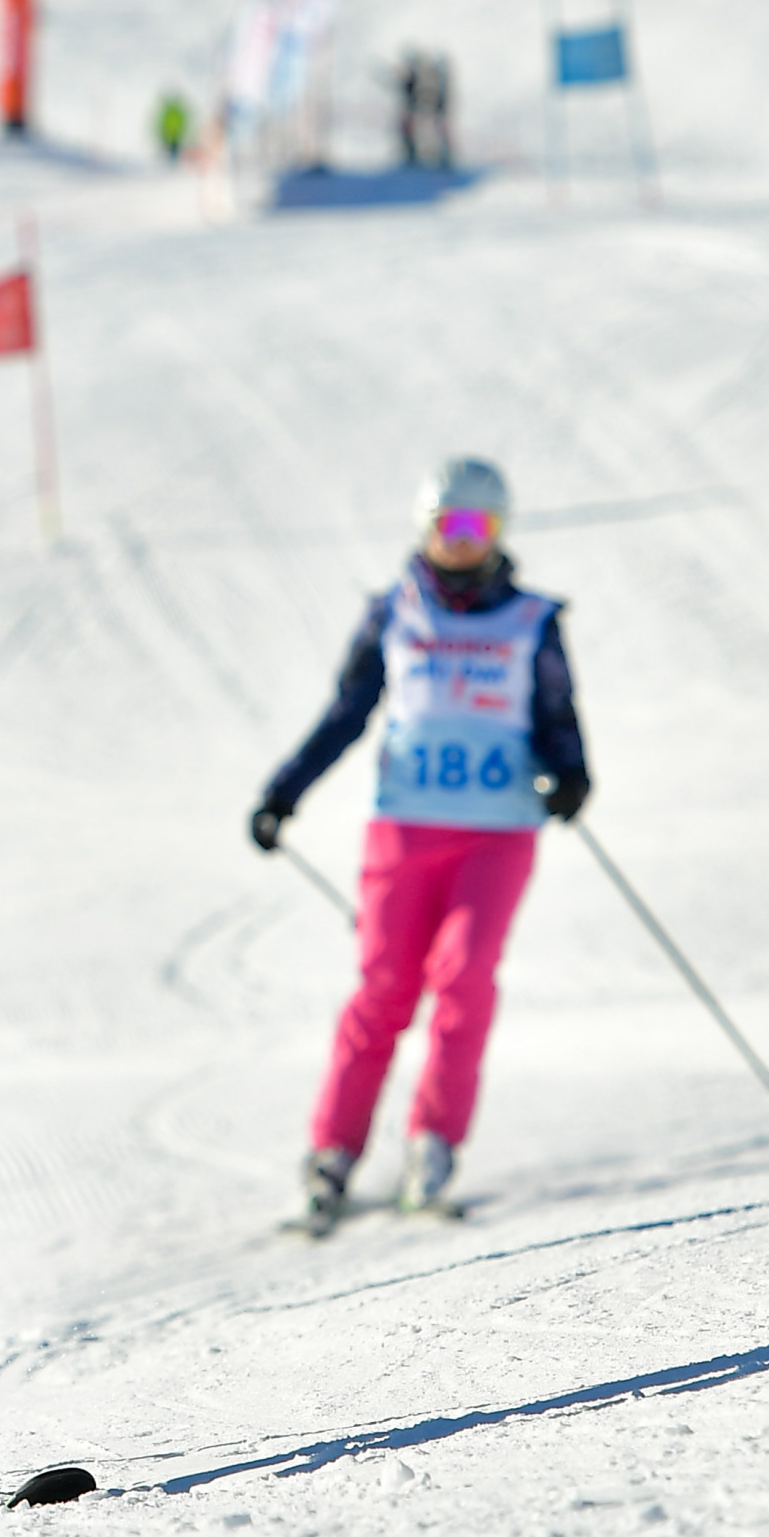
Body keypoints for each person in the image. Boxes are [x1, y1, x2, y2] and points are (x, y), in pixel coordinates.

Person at [248, 457, 587, 1228]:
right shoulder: (394, 613)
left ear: (499, 530)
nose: (461, 541)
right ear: (425, 527)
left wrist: (572, 775)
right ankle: (331, 1153)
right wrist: (283, 791)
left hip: (496, 833)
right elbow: (346, 712)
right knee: (383, 988)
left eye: (477, 526)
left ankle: (432, 1141)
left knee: (464, 980)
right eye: (447, 525)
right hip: (403, 830)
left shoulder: (532, 619)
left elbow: (560, 714)